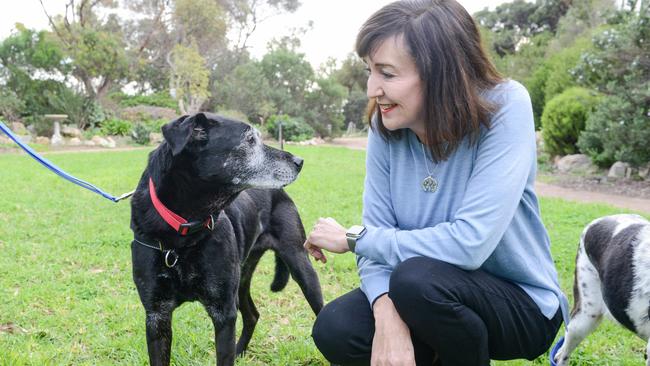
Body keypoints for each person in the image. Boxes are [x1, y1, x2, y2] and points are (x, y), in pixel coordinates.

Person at [303, 1, 569, 365]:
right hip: (424, 294)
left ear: (439, 73)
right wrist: (387, 314)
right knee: (337, 327)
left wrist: (354, 238)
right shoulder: (386, 128)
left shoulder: (506, 106)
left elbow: (469, 244)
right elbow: (379, 241)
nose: (371, 89)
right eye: (369, 71)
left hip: (520, 304)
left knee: (416, 279)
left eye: (387, 74)